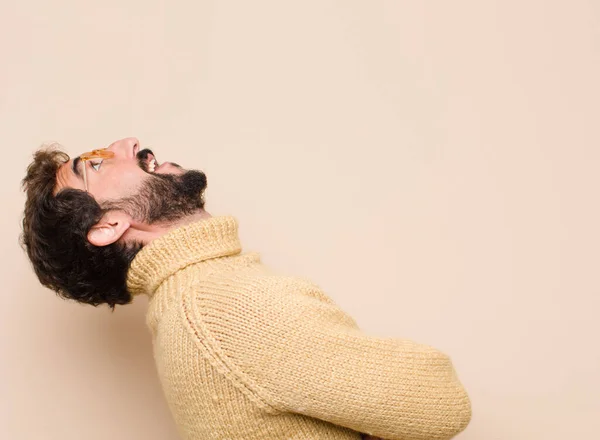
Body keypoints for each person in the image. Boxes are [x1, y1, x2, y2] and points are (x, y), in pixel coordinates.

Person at [20, 137, 472, 440]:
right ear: (109, 224)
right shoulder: (220, 307)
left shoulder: (199, 299)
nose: (129, 143)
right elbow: (442, 400)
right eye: (96, 164)